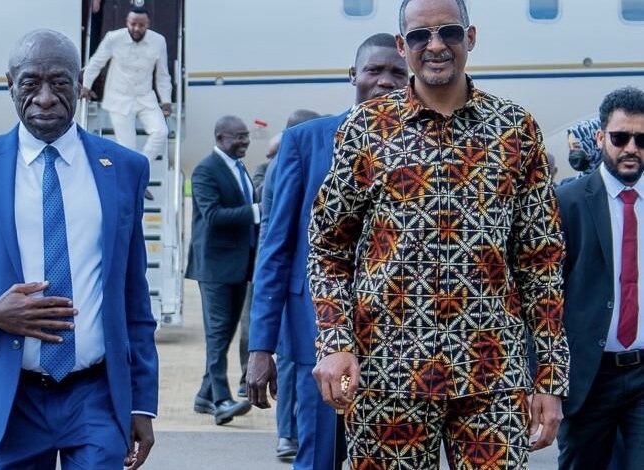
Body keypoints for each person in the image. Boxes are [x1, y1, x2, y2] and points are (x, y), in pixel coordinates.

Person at [307, 0, 571, 468]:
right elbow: (329, 248)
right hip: (388, 371)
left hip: (492, 374)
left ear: (471, 37)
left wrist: (550, 378)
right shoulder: (366, 129)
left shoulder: (515, 130)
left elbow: (541, 261)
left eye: (448, 32)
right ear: (401, 45)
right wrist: (335, 343)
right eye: (419, 35)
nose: (435, 46)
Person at [0, 29, 158, 469]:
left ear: (80, 84)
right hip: (8, 400)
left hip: (97, 396)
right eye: (30, 83)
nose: (45, 98)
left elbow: (133, 295)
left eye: (59, 83)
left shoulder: (124, 169)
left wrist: (142, 401)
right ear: (10, 85)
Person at [247, 34, 408, 470]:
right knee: (320, 456)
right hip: (316, 334)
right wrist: (261, 346)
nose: (385, 81)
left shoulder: (425, 146)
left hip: (400, 342)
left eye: (397, 72)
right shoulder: (306, 142)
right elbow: (276, 249)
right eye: (374, 70)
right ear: (352, 75)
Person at [556, 86, 644, 470]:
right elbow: (544, 294)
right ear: (600, 138)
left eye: (641, 140)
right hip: (589, 378)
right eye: (620, 138)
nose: (631, 148)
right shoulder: (568, 202)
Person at [186, 115, 257, 425]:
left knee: (225, 333)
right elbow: (213, 216)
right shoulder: (206, 170)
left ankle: (204, 395)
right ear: (220, 137)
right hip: (214, 267)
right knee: (217, 335)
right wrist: (256, 211)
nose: (245, 141)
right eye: (239, 137)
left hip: (239, 265)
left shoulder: (238, 168)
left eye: (246, 136)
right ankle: (221, 400)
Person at [82, 5, 171, 160]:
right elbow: (96, 63)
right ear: (127, 22)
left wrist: (166, 100)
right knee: (127, 147)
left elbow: (163, 75)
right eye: (133, 24)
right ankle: (135, 169)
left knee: (161, 132)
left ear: (148, 24)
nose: (136, 28)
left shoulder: (158, 41)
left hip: (145, 97)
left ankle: (142, 164)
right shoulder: (113, 38)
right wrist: (86, 86)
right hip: (119, 99)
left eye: (141, 25)